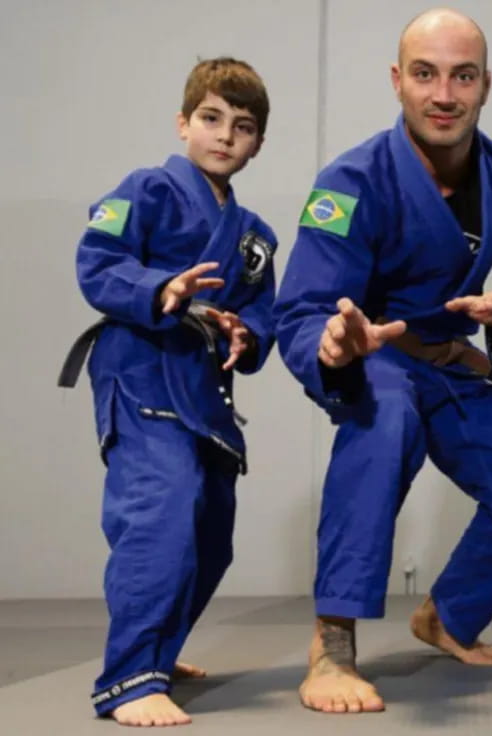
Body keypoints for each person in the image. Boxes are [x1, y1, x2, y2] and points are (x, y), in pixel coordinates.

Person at [274, 8, 492, 714]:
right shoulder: (351, 178)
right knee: (385, 426)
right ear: (397, 81)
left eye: (462, 76)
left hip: (454, 361)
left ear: (486, 86)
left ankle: (447, 616)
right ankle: (332, 645)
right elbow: (303, 307)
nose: (444, 94)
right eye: (426, 74)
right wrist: (332, 345)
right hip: (375, 355)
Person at [60, 57, 276, 726]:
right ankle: (128, 678)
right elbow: (97, 261)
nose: (224, 136)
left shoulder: (255, 236)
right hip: (142, 369)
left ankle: (156, 648)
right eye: (211, 119)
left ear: (257, 143)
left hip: (204, 390)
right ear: (184, 123)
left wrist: (247, 334)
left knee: (212, 531)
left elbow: (264, 313)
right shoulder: (147, 189)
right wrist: (161, 289)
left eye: (242, 127)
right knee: (161, 514)